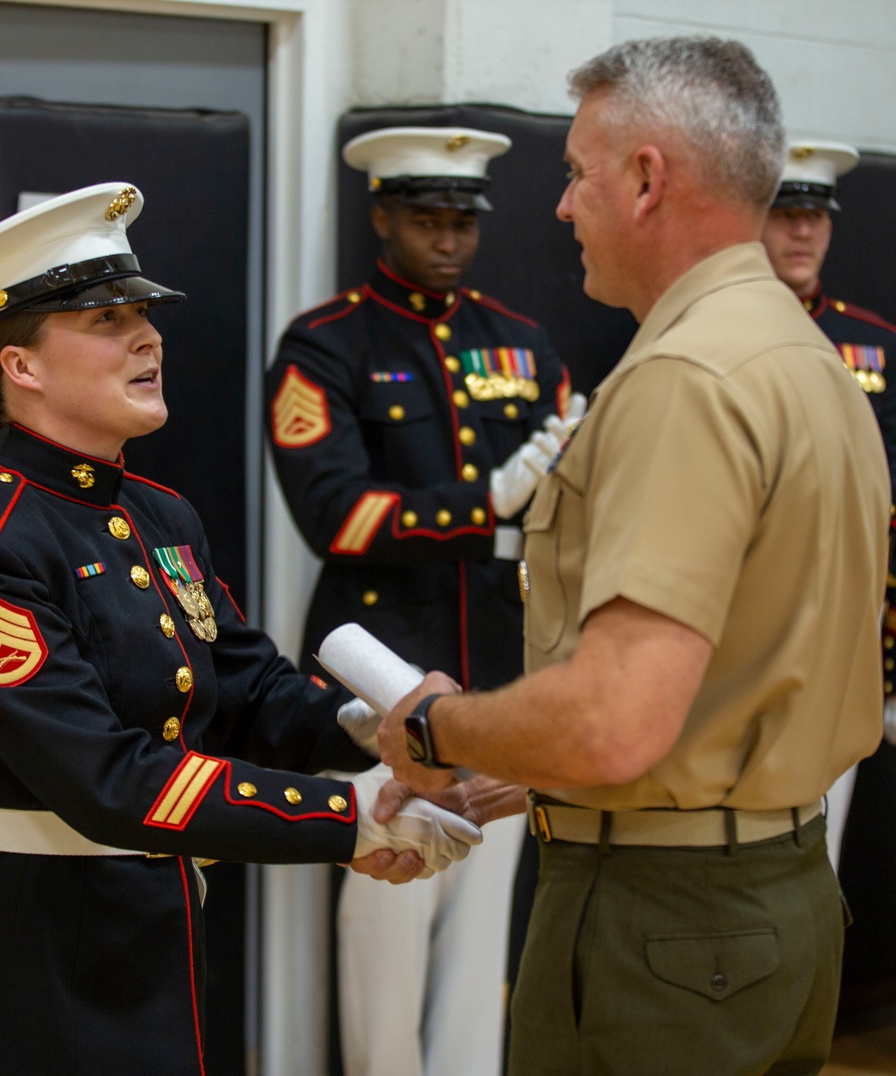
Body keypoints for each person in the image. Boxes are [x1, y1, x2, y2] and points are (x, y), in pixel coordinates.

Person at [374, 37, 891, 1075]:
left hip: (664, 925)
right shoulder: (811, 362)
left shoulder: (684, 380)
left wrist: (434, 725)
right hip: (781, 895)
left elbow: (614, 722)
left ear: (648, 180)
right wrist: (513, 770)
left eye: (574, 172)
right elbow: (730, 677)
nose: (561, 207)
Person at [0, 182, 483, 1076]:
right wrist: (351, 819)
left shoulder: (162, 515)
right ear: (22, 366)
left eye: (145, 312)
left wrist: (373, 730)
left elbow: (252, 691)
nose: (147, 337)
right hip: (25, 966)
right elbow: (106, 779)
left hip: (153, 935)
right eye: (105, 320)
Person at [265, 127, 576, 1076]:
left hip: (495, 669)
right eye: (424, 219)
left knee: (486, 927)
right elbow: (338, 516)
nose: (447, 240)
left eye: (460, 222)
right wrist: (485, 504)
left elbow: (575, 460)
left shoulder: (518, 343)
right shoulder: (326, 344)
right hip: (381, 683)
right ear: (381, 217)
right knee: (387, 912)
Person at [762, 141, 896, 1032]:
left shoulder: (872, 343)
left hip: (851, 642)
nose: (805, 229)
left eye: (818, 213)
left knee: (823, 862)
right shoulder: (701, 334)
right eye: (786, 209)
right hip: (751, 652)